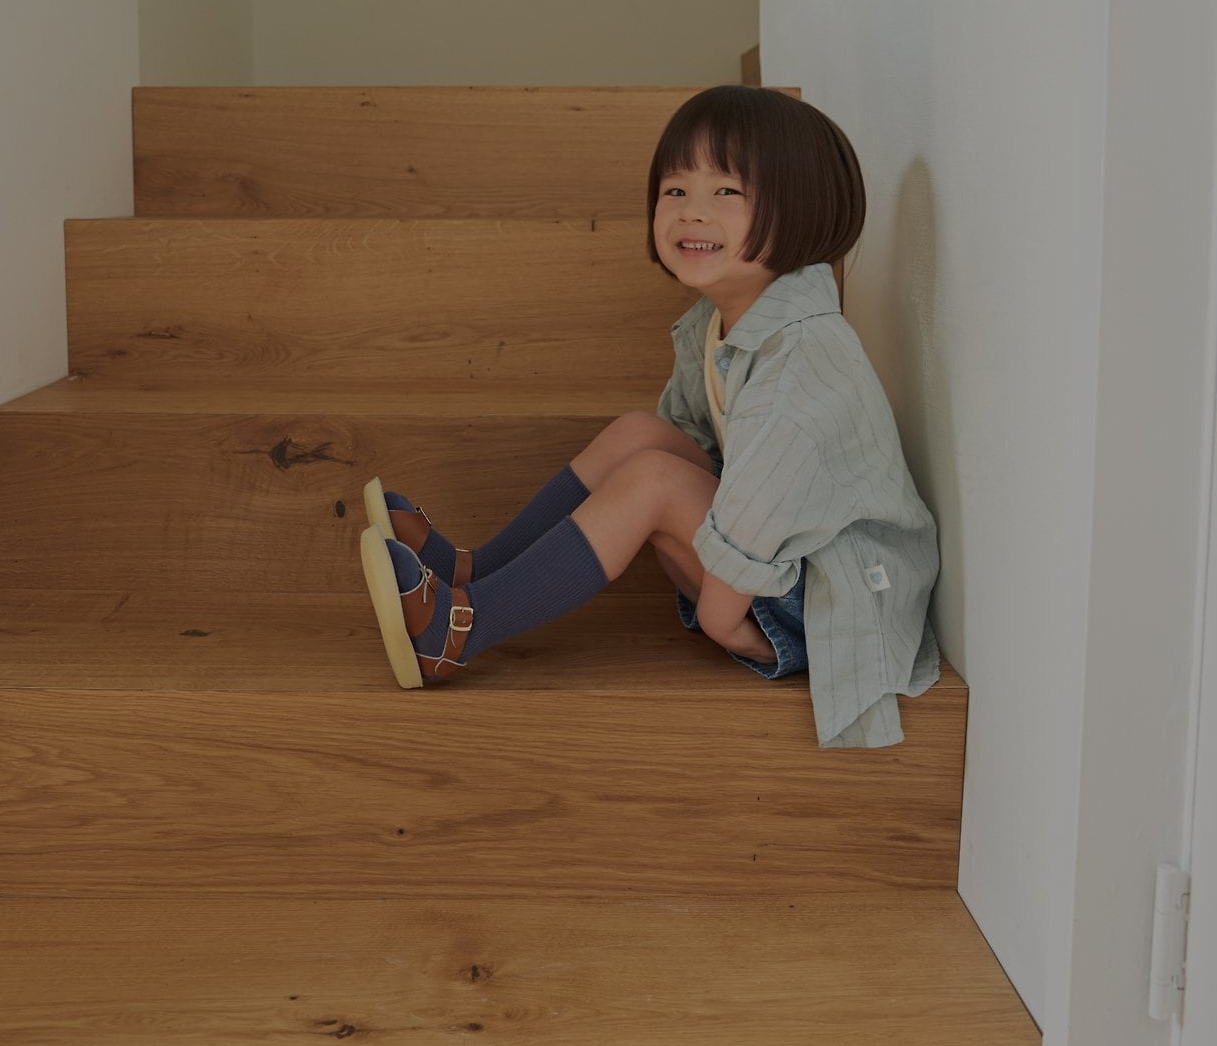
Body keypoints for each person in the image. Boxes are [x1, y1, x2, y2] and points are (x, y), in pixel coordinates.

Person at [359, 85, 941, 748]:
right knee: (641, 436)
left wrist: (723, 621)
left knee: (655, 482)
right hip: (775, 570)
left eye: (727, 191)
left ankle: (458, 632)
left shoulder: (802, 356)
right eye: (675, 190)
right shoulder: (720, 323)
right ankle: (475, 572)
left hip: (831, 605)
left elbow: (760, 511)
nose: (693, 211)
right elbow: (696, 448)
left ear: (801, 209)